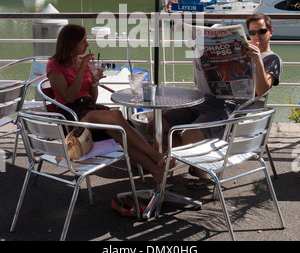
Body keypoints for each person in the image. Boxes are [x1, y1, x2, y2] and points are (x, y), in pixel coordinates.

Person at [147, 13, 282, 187]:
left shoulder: (272, 59)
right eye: (253, 32)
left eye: (262, 31)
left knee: (190, 136)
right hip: (203, 98)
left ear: (270, 32)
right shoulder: (239, 49)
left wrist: (257, 61)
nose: (257, 36)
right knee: (154, 126)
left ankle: (203, 171)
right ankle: (195, 162)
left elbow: (263, 90)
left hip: (229, 106)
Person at [47, 24, 173, 184]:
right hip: (72, 114)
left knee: (119, 131)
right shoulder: (54, 66)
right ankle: (155, 155)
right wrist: (81, 71)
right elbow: (69, 97)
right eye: (83, 42)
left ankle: (156, 171)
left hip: (89, 107)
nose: (87, 45)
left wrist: (94, 83)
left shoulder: (81, 62)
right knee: (117, 115)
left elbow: (93, 98)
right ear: (71, 44)